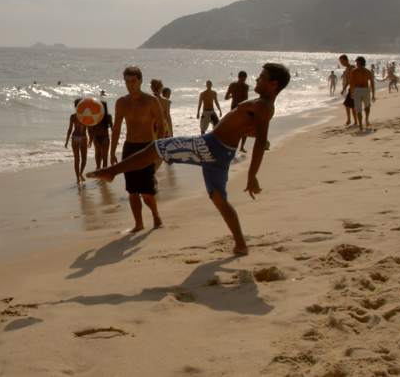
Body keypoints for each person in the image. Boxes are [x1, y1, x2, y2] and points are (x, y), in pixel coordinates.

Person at [88, 63, 291, 256]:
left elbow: (261, 140)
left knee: (156, 147)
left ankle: (112, 171)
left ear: (273, 85)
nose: (257, 79)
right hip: (222, 152)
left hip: (210, 145)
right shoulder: (264, 106)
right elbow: (253, 132)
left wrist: (252, 175)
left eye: (262, 77)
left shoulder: (263, 105)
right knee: (219, 197)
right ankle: (240, 245)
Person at [110, 67, 165, 232]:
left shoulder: (151, 101)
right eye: (127, 81)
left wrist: (157, 148)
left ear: (140, 81)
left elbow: (161, 125)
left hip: (146, 147)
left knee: (147, 191)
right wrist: (112, 152)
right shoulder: (121, 102)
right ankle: (138, 224)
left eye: (133, 81)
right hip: (129, 148)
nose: (130, 84)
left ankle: (156, 217)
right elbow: (117, 128)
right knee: (132, 191)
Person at [65, 99, 89, 184]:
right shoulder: (86, 116)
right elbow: (89, 129)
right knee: (84, 159)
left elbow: (70, 129)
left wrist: (67, 141)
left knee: (76, 160)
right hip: (83, 138)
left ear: (75, 106)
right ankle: (80, 173)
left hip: (75, 138)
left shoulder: (73, 116)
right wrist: (91, 140)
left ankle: (77, 179)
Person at [225, 71, 250, 152]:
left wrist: (233, 95)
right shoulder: (245, 86)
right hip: (241, 108)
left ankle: (231, 147)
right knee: (244, 128)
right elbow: (245, 99)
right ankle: (242, 147)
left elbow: (226, 97)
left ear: (238, 76)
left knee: (234, 129)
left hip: (233, 107)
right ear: (244, 77)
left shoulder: (232, 85)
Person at [350, 57, 376, 132]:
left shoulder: (354, 71)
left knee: (358, 109)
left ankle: (361, 126)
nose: (356, 64)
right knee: (367, 106)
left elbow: (352, 82)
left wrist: (352, 92)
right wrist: (373, 95)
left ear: (359, 62)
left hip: (357, 90)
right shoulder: (368, 72)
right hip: (366, 90)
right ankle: (366, 119)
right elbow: (372, 84)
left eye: (356, 62)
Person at [91, 101, 113, 169]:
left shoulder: (96, 115)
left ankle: (99, 170)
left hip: (97, 136)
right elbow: (112, 128)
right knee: (104, 156)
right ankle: (102, 172)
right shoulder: (108, 116)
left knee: (98, 155)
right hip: (104, 137)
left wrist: (91, 138)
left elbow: (92, 128)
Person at [339, 55, 356, 125]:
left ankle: (351, 120)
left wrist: (353, 90)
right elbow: (348, 81)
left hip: (354, 89)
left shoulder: (351, 67)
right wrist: (344, 89)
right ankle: (352, 120)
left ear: (346, 60)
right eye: (340, 61)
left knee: (348, 104)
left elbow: (354, 79)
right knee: (350, 105)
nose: (341, 63)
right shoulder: (347, 69)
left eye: (342, 61)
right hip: (351, 88)